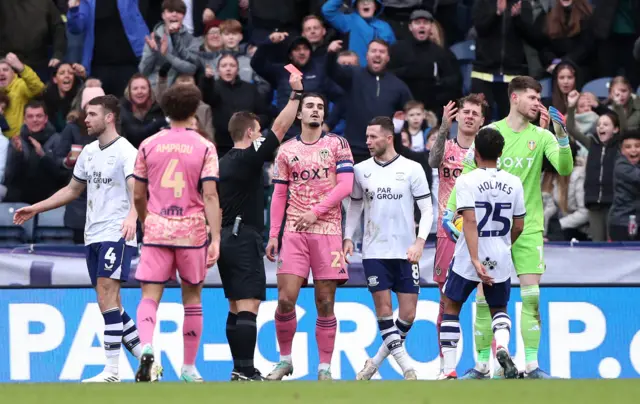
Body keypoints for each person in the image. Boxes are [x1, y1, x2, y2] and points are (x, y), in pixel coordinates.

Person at [13, 95, 159, 383]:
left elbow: (137, 191)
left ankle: (112, 372)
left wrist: (132, 217)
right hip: (92, 234)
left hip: (116, 232)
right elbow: (72, 190)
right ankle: (146, 358)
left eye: (92, 114)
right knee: (109, 301)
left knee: (107, 294)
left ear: (109, 117)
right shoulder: (90, 152)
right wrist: (36, 207)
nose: (86, 119)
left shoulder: (126, 152)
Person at [444, 76, 573, 379]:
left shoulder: (542, 136)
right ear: (514, 98)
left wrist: (563, 136)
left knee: (531, 296)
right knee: (483, 298)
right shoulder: (490, 133)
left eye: (538, 98)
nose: (537, 103)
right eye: (531, 97)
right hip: (490, 232)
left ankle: (531, 365)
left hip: (526, 228)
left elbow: (564, 168)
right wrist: (450, 214)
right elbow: (466, 176)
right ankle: (481, 366)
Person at [217, 73, 303, 381]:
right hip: (243, 237)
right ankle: (245, 369)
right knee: (249, 305)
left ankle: (239, 368)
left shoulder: (223, 161)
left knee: (234, 305)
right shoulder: (246, 158)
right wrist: (295, 96)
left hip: (226, 237)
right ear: (251, 132)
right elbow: (279, 129)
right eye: (258, 132)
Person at [132, 85, 221, 383]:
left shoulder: (148, 144)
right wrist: (216, 237)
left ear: (167, 111)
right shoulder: (205, 146)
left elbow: (138, 195)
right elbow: (210, 195)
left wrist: (148, 221)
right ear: (194, 110)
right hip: (191, 232)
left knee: (149, 296)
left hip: (157, 229)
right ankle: (188, 367)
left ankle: (146, 346)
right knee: (193, 297)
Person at [265, 92, 354, 381]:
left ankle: (325, 367)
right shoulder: (286, 150)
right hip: (293, 231)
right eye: (310, 107)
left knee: (325, 301)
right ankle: (285, 360)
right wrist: (273, 234)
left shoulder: (338, 144)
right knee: (285, 299)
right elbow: (279, 194)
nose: (316, 111)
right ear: (299, 115)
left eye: (320, 107)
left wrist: (316, 211)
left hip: (329, 232)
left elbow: (346, 186)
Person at [343, 116, 433, 380]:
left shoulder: (413, 168)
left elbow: (427, 210)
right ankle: (408, 368)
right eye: (367, 137)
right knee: (384, 311)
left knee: (408, 314)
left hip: (406, 251)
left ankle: (374, 363)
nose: (367, 142)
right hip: (374, 251)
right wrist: (349, 236)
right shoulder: (361, 170)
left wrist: (419, 241)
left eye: (373, 137)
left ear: (388, 138)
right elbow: (356, 205)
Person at [438, 127, 525, 380]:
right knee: (499, 308)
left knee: (451, 306)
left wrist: (475, 259)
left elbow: (470, 221)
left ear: (475, 152)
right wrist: (503, 245)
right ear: (501, 153)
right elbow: (519, 225)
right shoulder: (514, 182)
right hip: (500, 252)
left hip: (468, 255)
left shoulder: (467, 180)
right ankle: (504, 348)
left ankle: (449, 370)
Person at [428, 94, 487, 377]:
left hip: (479, 233)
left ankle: (485, 362)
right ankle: (445, 364)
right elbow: (432, 161)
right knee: (445, 299)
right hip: (447, 234)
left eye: (475, 113)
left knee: (484, 298)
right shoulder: (447, 147)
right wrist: (442, 126)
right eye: (466, 112)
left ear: (482, 121)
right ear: (458, 117)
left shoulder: (485, 155)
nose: (470, 116)